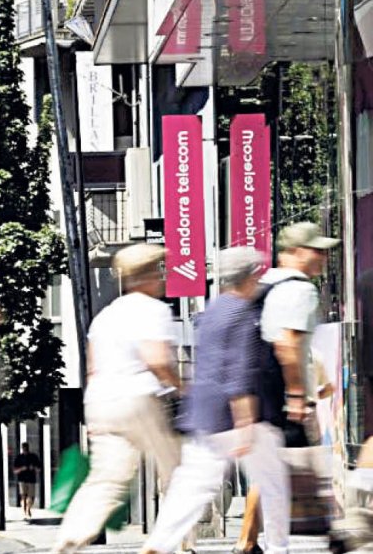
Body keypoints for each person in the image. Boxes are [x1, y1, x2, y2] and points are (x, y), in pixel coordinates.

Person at [141, 248, 290, 554]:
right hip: (238, 415)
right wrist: (245, 419)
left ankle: (157, 544)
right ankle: (278, 548)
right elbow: (240, 368)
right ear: (250, 276)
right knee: (274, 483)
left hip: (205, 412)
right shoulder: (244, 313)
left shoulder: (213, 309)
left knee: (193, 484)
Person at [50, 244, 183, 554]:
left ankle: (70, 539)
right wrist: (181, 388)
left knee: (107, 479)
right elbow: (157, 360)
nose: (162, 278)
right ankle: (171, 544)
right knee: (177, 473)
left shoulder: (105, 316)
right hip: (140, 399)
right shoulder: (153, 309)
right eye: (159, 271)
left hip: (102, 403)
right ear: (147, 276)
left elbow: (93, 367)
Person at [233, 222, 338, 554]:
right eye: (316, 250)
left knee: (272, 472)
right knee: (294, 473)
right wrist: (296, 395)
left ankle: (250, 542)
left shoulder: (262, 286)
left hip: (253, 393)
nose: (323, 257)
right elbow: (287, 343)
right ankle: (329, 538)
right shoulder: (300, 289)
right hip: (280, 394)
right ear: (295, 252)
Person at [14, 443, 41, 520]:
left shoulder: (33, 457)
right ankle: (25, 511)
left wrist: (33, 468)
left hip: (31, 479)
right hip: (22, 480)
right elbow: (15, 471)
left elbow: (39, 469)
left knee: (31, 497)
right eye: (24, 448)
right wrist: (22, 469)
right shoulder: (19, 458)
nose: (25, 449)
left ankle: (28, 509)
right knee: (23, 496)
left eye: (26, 448)